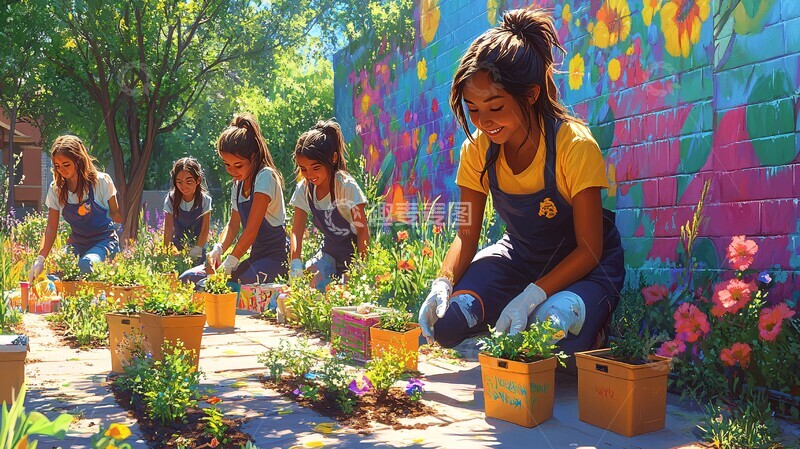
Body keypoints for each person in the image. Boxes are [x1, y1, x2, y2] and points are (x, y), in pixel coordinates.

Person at [418, 8, 625, 363]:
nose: (484, 122)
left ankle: (592, 324)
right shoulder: (477, 151)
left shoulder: (574, 145)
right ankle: (507, 322)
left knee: (551, 330)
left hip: (584, 269)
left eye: (495, 107)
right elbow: (466, 237)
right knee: (448, 322)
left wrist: (533, 296)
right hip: (518, 258)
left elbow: (589, 250)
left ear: (530, 94)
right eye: (473, 110)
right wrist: (443, 282)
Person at [180, 113, 288, 285]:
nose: (232, 171)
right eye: (227, 165)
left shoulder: (265, 177)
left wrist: (230, 262)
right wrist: (219, 248)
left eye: (238, 165)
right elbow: (233, 224)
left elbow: (251, 230)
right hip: (256, 258)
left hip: (275, 260)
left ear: (253, 157)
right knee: (188, 278)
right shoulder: (237, 184)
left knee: (240, 284)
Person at [28, 135, 123, 283]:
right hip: (77, 244)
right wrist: (40, 259)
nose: (62, 171)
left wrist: (120, 232)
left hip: (104, 242)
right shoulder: (56, 190)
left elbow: (116, 214)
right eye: (57, 166)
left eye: (66, 164)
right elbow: (51, 229)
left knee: (85, 264)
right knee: (57, 268)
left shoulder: (101, 182)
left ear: (78, 160)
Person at [288, 119, 369, 290]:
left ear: (332, 158)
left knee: (346, 296)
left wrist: (360, 270)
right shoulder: (305, 189)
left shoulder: (346, 186)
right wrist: (295, 263)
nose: (309, 175)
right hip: (329, 255)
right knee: (312, 275)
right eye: (303, 169)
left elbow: (362, 231)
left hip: (353, 257)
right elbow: (296, 230)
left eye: (315, 168)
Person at [163, 157, 212, 263]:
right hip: (177, 250)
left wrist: (197, 249)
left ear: (198, 180)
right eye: (179, 182)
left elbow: (204, 230)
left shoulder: (205, 200)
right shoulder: (171, 199)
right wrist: (166, 253)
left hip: (199, 249)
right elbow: (168, 229)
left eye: (188, 182)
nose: (184, 186)